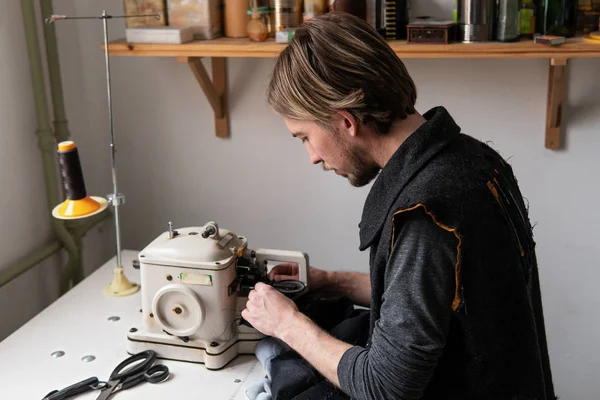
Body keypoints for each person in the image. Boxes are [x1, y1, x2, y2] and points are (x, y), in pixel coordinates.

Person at [241, 12, 556, 400]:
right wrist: (332, 282)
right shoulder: (474, 160)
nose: (312, 157)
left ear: (345, 121)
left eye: (304, 137)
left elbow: (386, 386)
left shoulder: (426, 212)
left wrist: (286, 323)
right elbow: (438, 302)